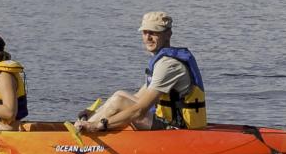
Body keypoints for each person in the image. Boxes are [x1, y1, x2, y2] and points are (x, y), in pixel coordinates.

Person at [74, 11, 206, 134]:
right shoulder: (161, 61)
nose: (148, 37)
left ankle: (85, 133)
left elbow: (139, 111)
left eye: (154, 32)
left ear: (168, 34)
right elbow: (138, 98)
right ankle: (84, 125)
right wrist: (95, 112)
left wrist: (100, 124)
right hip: (166, 121)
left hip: (179, 129)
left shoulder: (169, 65)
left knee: (118, 101)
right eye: (145, 32)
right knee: (119, 95)